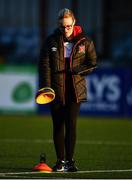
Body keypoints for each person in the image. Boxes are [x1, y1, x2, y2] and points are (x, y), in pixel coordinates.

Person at [38, 8, 97, 172]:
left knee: (71, 126)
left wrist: (78, 70)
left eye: (69, 26)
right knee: (58, 126)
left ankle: (70, 162)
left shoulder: (85, 41)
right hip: (55, 90)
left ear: (74, 23)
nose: (66, 30)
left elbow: (92, 63)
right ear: (59, 25)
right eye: (63, 27)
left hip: (75, 90)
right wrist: (47, 87)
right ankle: (60, 162)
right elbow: (45, 66)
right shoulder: (51, 41)